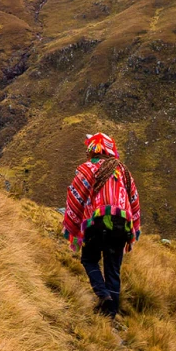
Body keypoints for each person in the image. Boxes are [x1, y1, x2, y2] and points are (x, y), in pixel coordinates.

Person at [62, 132, 141, 318]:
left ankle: (102, 294)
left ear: (93, 150)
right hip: (122, 225)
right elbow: (134, 200)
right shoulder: (124, 171)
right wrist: (133, 225)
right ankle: (110, 314)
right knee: (113, 269)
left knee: (89, 259)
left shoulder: (86, 169)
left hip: (97, 224)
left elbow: (75, 197)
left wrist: (73, 224)